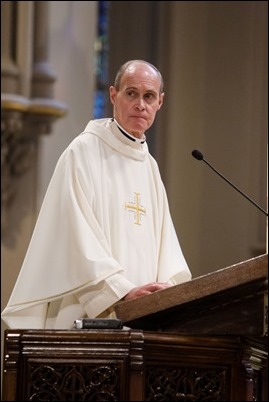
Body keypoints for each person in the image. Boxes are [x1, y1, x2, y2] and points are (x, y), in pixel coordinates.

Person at [1, 60, 192, 329]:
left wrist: (165, 292)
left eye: (149, 96)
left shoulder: (149, 167)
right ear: (114, 95)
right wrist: (122, 292)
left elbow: (167, 249)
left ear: (160, 102)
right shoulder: (83, 152)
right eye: (131, 93)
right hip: (90, 314)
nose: (140, 104)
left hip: (144, 322)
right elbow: (74, 235)